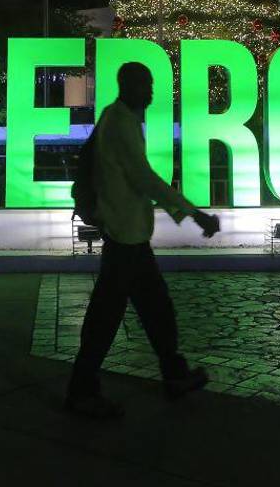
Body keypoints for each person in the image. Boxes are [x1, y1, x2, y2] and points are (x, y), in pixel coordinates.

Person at [65, 61, 221, 419]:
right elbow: (144, 179)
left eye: (150, 84)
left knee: (156, 310)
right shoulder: (120, 123)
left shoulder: (117, 118)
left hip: (131, 235)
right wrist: (194, 214)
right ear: (127, 86)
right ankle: (82, 391)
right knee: (107, 319)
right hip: (124, 236)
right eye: (143, 84)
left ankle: (174, 374)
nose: (150, 91)